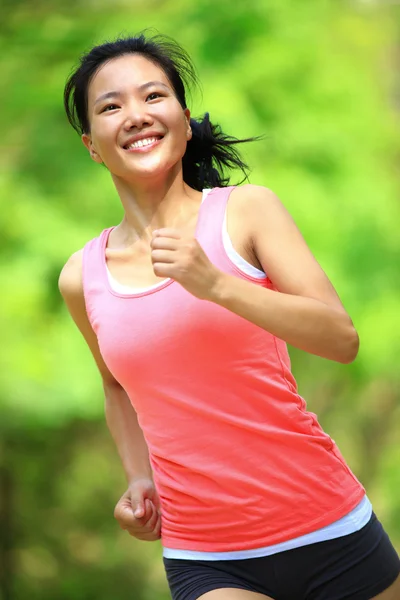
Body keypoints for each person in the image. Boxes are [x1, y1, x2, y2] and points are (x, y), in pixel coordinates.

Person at [59, 32, 400, 600]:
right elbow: (116, 387)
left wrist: (215, 283)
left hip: (327, 524)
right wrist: (139, 478)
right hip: (207, 554)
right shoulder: (82, 275)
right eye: (111, 106)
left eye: (153, 97)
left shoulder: (246, 212)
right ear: (92, 144)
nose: (136, 116)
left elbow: (340, 339)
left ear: (184, 120)